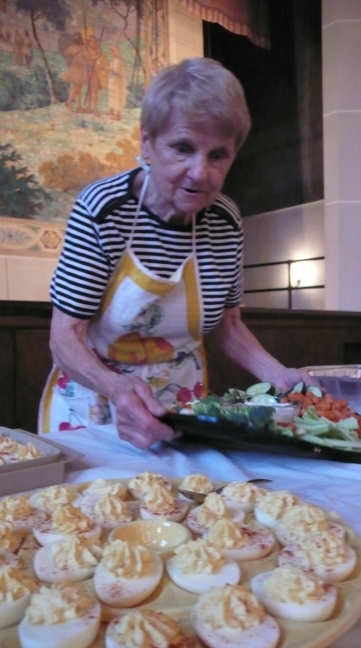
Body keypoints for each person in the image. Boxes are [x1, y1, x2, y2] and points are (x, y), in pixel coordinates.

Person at [39, 57, 312, 449]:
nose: (200, 173)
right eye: (183, 148)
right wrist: (116, 388)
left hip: (185, 409)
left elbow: (228, 326)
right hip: (93, 408)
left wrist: (280, 375)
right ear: (147, 142)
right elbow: (65, 337)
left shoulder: (225, 220)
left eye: (218, 155)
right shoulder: (103, 209)